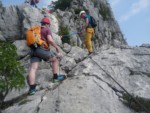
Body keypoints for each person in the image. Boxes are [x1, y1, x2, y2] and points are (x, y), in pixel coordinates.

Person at [27, 17, 65, 95]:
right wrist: (57, 47)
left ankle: (32, 89)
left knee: (33, 68)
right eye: (49, 24)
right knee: (55, 60)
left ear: (42, 23)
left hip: (33, 50)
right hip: (41, 49)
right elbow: (50, 40)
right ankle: (56, 78)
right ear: (47, 24)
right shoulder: (47, 29)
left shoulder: (36, 30)